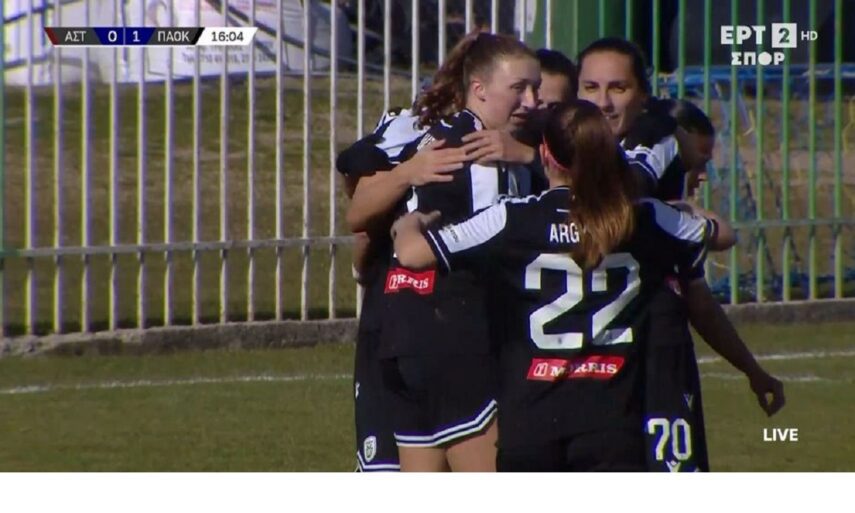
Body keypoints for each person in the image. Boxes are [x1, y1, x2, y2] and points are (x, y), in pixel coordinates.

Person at [390, 100, 736, 471]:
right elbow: (722, 234)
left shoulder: (513, 218)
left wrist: (408, 224)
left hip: (531, 421)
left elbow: (412, 254)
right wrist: (683, 209)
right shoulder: (644, 217)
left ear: (544, 153)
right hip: (613, 421)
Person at [576, 38, 785, 470]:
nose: (604, 103)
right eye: (591, 88)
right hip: (580, 370)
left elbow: (697, 293)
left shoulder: (655, 153)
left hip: (650, 365)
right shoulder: (561, 164)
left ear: (642, 96)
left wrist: (752, 369)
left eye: (618, 88)